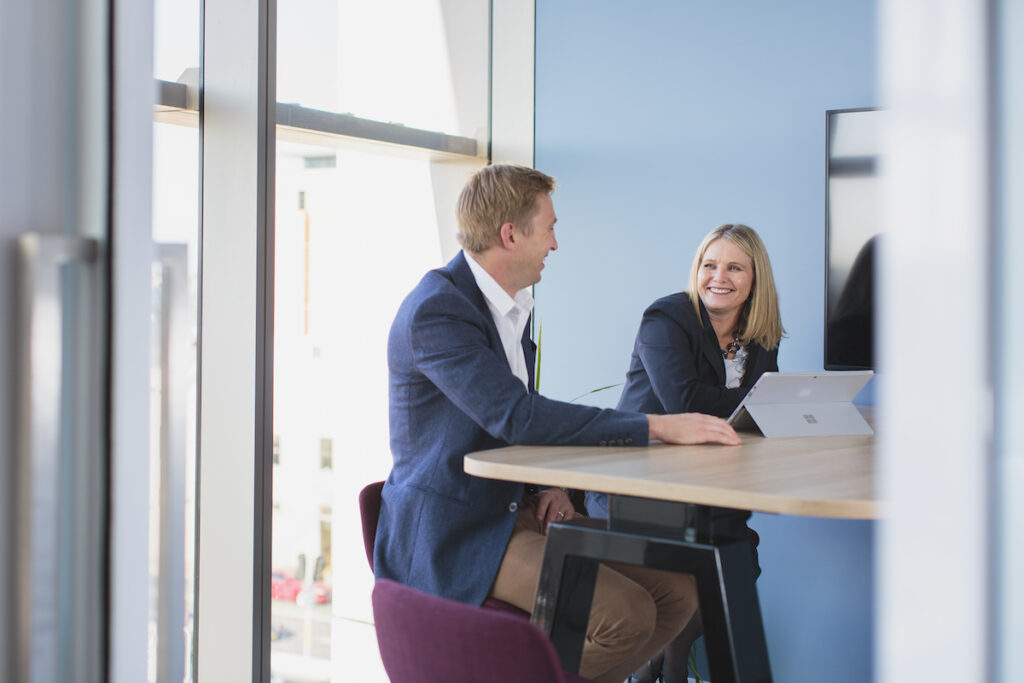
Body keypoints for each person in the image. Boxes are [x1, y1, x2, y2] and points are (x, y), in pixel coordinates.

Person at [374, 165, 743, 683]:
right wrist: (656, 426)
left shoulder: (506, 306)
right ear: (511, 235)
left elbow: (511, 414)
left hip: (516, 509)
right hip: (460, 530)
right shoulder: (439, 311)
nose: (555, 243)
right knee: (626, 616)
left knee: (679, 590)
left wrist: (548, 482)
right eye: (548, 227)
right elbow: (515, 415)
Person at [586, 223, 785, 683]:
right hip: (633, 480)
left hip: (704, 484)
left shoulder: (762, 334)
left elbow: (765, 410)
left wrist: (771, 404)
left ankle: (664, 662)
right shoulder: (667, 319)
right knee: (701, 566)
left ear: (756, 279)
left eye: (735, 267)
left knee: (740, 561)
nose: (719, 276)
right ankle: (666, 668)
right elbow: (685, 402)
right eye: (709, 265)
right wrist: (762, 401)